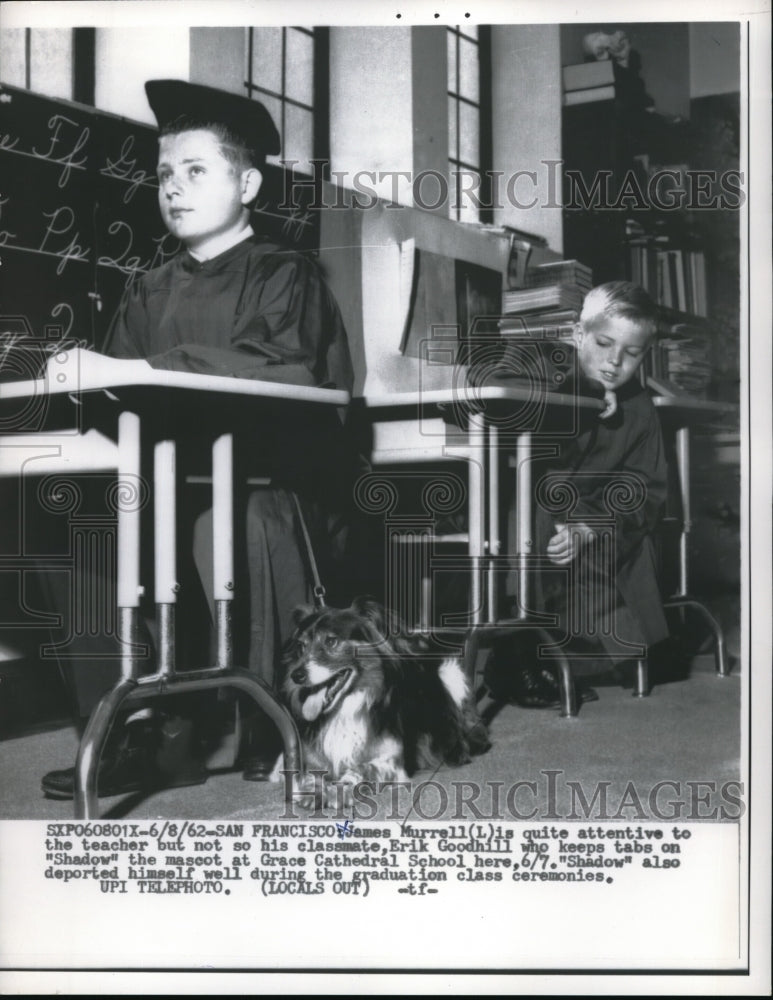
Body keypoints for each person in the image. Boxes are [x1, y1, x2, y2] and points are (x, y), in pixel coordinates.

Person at [41, 79, 354, 798]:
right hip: (167, 475)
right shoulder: (148, 286)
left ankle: (272, 718)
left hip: (270, 479)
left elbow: (284, 368)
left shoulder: (285, 273)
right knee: (79, 517)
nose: (173, 188)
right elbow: (116, 394)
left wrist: (137, 370)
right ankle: (133, 728)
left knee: (239, 518)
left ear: (247, 184)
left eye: (195, 170)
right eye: (164, 175)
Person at [486, 281, 669, 707]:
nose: (615, 362)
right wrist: (585, 389)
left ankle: (569, 656)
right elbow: (491, 386)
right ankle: (520, 653)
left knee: (628, 549)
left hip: (595, 517)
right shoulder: (541, 357)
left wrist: (592, 526)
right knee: (537, 519)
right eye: (604, 344)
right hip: (521, 502)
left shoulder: (640, 407)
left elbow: (645, 489)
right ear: (577, 334)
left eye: (632, 353)